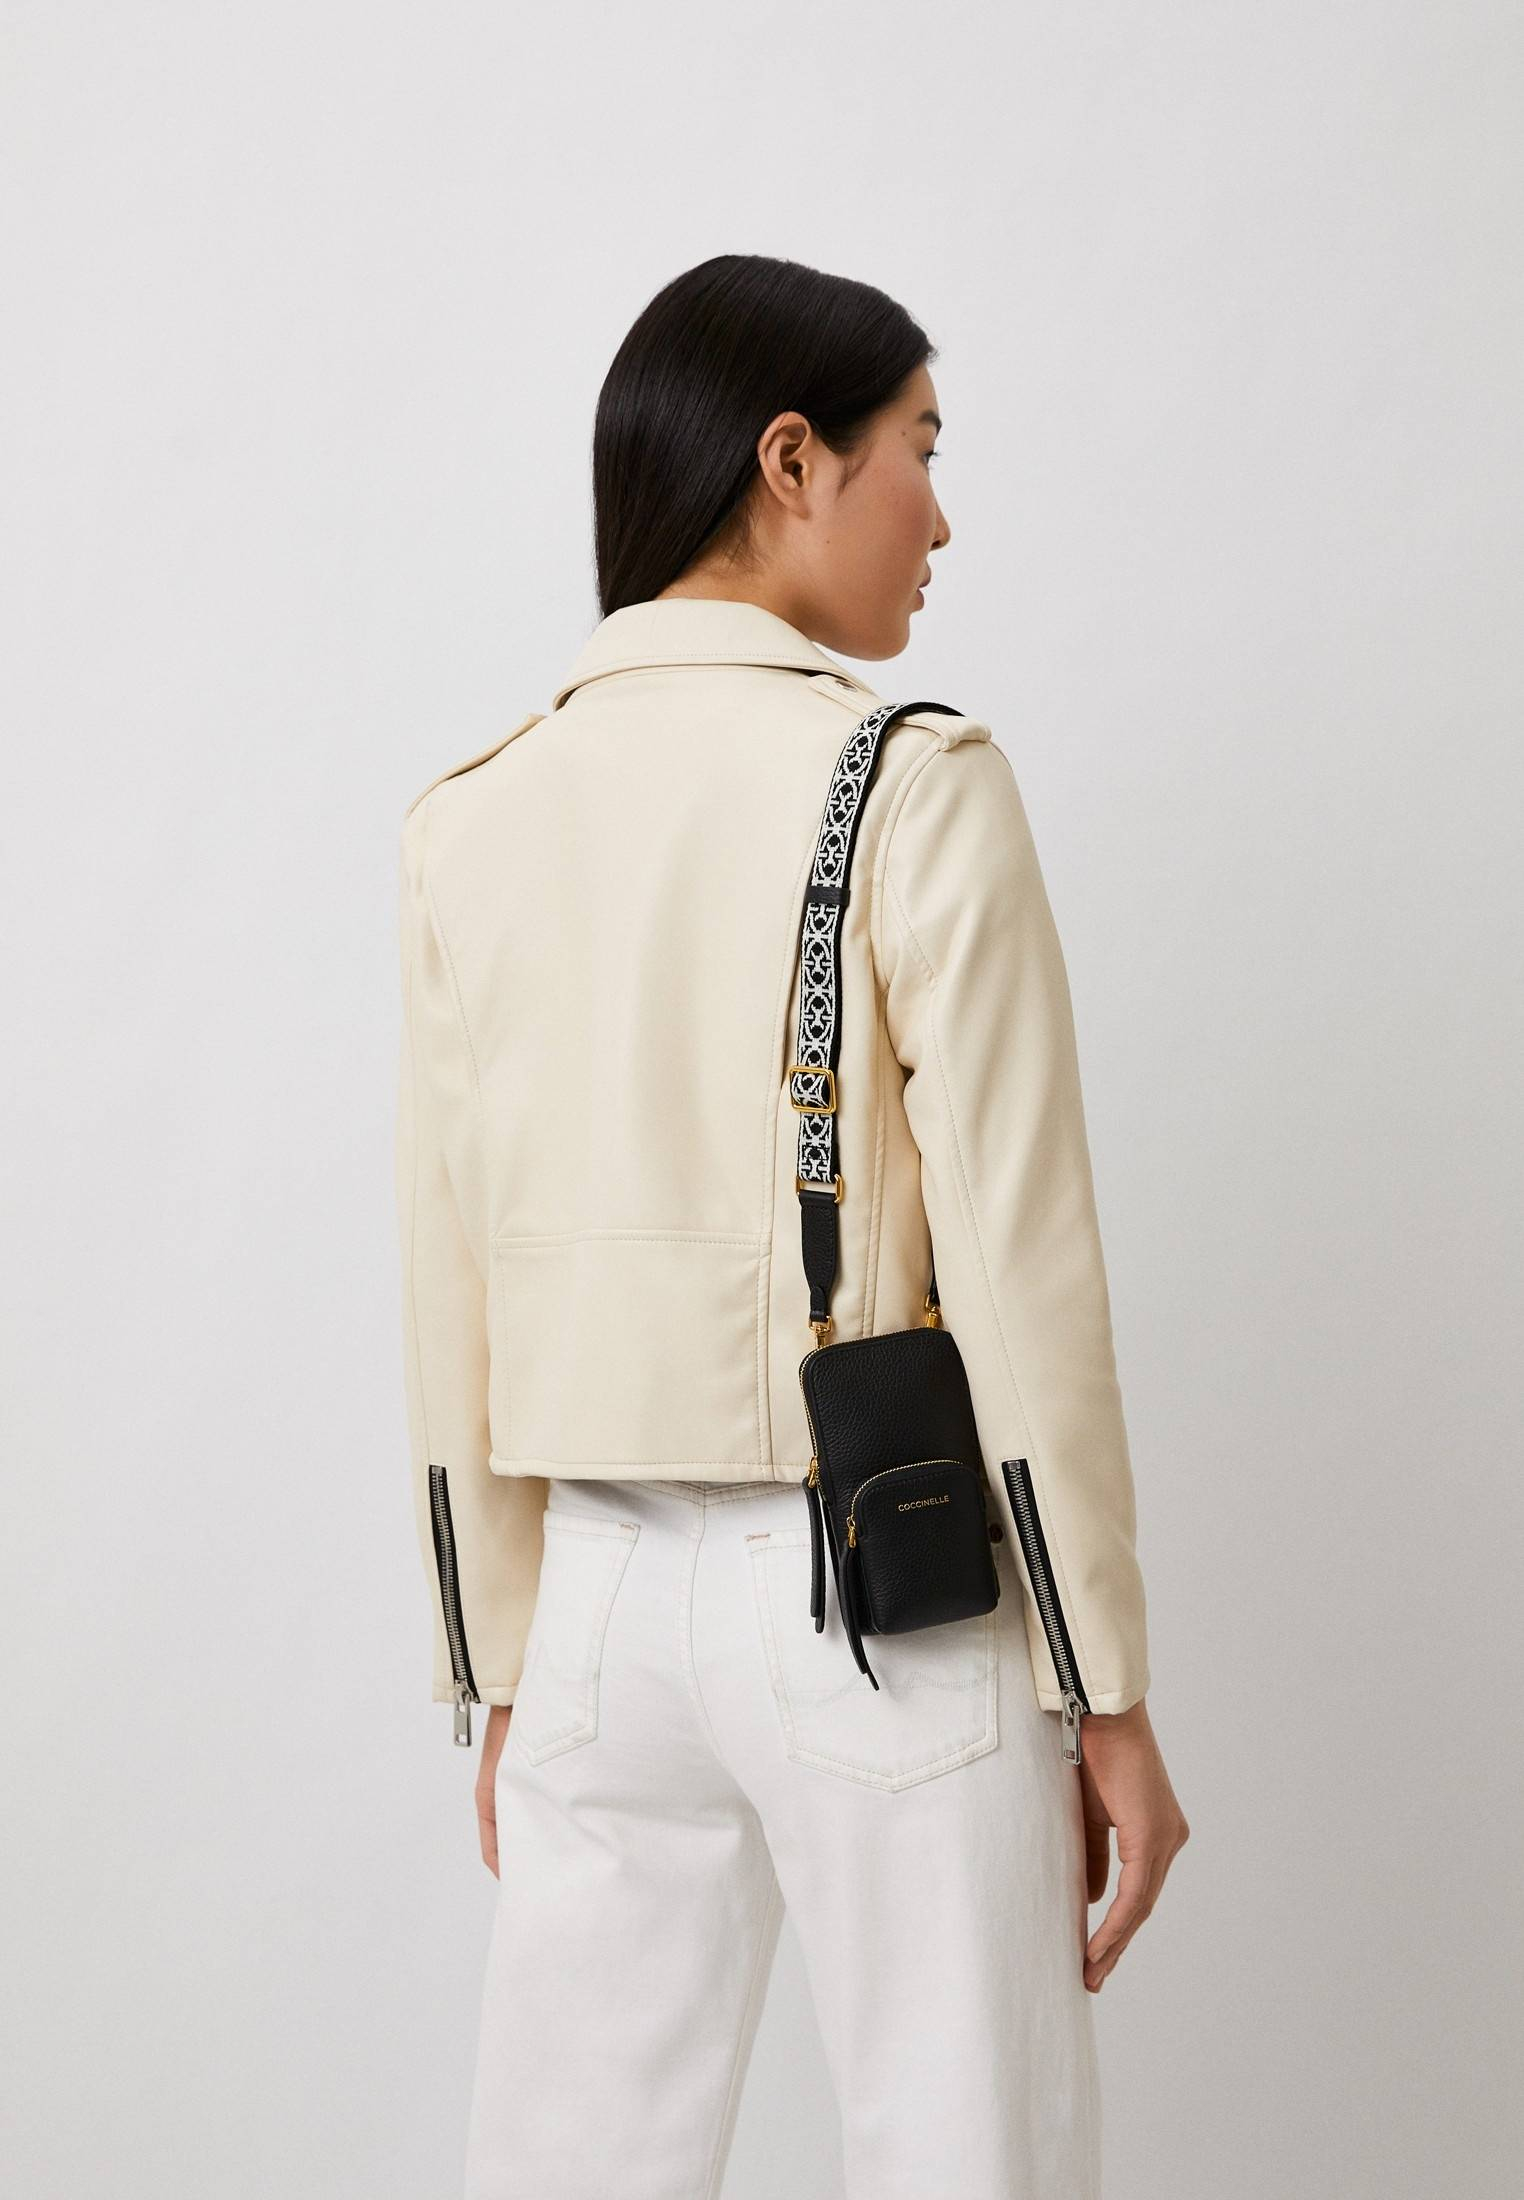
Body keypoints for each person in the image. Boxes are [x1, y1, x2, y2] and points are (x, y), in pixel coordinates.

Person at [394, 252, 1189, 2200]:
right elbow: (1025, 1270)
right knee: (967, 2159)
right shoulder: (911, 784)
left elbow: (450, 1280)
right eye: (921, 447)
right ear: (792, 460)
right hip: (877, 1596)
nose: (943, 514)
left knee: (569, 2169)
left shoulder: (471, 813)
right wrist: (1105, 1689)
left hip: (591, 1609)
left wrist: (505, 1667)